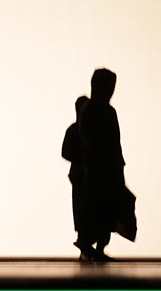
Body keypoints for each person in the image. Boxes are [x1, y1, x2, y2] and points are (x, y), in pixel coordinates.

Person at [76, 68, 136, 262]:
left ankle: (99, 247)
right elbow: (90, 140)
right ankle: (87, 244)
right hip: (98, 169)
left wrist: (118, 164)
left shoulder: (108, 111)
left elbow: (115, 141)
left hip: (111, 167)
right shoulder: (91, 110)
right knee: (96, 207)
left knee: (109, 209)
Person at [62, 95, 91, 260]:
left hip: (89, 175)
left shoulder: (89, 130)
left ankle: (89, 248)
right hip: (80, 176)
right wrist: (81, 158)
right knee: (81, 209)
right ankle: (85, 249)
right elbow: (65, 152)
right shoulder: (74, 130)